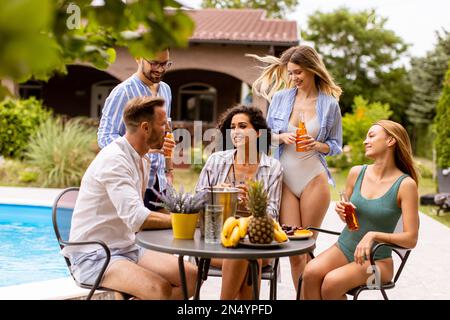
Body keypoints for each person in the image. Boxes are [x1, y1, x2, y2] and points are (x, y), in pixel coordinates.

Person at [63, 96, 197, 299]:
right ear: (145, 127)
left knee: (191, 275)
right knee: (159, 290)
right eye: (163, 125)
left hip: (127, 246)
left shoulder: (141, 158)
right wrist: (187, 220)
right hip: (95, 255)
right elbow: (137, 218)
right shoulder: (115, 161)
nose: (169, 131)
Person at [249, 45, 343, 291]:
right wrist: (281, 138)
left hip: (314, 179)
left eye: (299, 72)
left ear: (313, 69)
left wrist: (317, 144)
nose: (294, 78)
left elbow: (335, 146)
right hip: (285, 180)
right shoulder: (280, 99)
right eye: (290, 73)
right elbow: (263, 138)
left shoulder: (329, 104)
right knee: (293, 252)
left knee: (307, 247)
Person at [301, 120, 420, 300]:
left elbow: (411, 239)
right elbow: (348, 217)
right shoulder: (356, 173)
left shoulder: (405, 185)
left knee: (331, 283)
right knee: (309, 273)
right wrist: (342, 211)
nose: (365, 141)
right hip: (344, 247)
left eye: (371, 136)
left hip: (378, 263)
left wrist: (373, 235)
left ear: (390, 141)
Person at [195, 105, 283, 300]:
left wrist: (250, 204)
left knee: (248, 253)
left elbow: (273, 213)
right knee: (248, 257)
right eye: (233, 127)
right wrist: (216, 192)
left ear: (259, 133)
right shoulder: (217, 161)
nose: (236, 132)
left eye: (242, 126)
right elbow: (196, 201)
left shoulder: (272, 167)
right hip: (217, 240)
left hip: (259, 240)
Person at [97, 48, 175, 211]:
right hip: (133, 182)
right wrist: (144, 150)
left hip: (160, 183)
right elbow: (104, 138)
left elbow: (166, 133)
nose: (160, 69)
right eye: (154, 63)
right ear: (138, 57)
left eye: (165, 64)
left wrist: (169, 171)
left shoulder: (166, 90)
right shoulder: (123, 92)